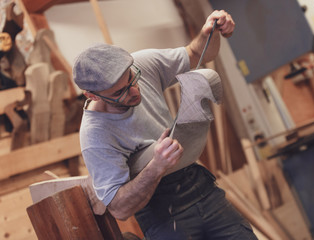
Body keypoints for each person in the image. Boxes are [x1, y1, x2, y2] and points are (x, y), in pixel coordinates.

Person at [73, 9, 258, 240]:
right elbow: (119, 209)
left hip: (200, 187)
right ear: (93, 96)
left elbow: (197, 53)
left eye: (133, 78)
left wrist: (210, 32)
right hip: (161, 212)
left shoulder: (141, 64)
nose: (134, 91)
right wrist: (156, 167)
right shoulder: (95, 136)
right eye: (120, 91)